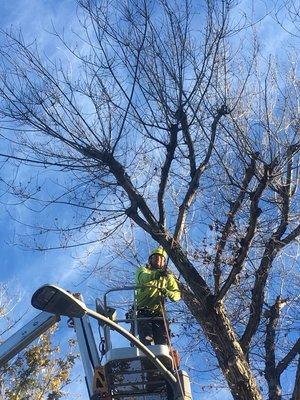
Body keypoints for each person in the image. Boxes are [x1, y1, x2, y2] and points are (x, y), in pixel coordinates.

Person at [135, 247, 181, 346]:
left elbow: (176, 296)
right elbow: (143, 278)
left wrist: (167, 292)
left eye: (161, 258)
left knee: (163, 342)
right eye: (155, 257)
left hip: (159, 313)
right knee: (147, 338)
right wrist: (157, 274)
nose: (158, 260)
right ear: (150, 260)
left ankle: (164, 359)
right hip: (143, 311)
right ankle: (146, 359)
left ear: (164, 262)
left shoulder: (168, 277)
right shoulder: (143, 271)